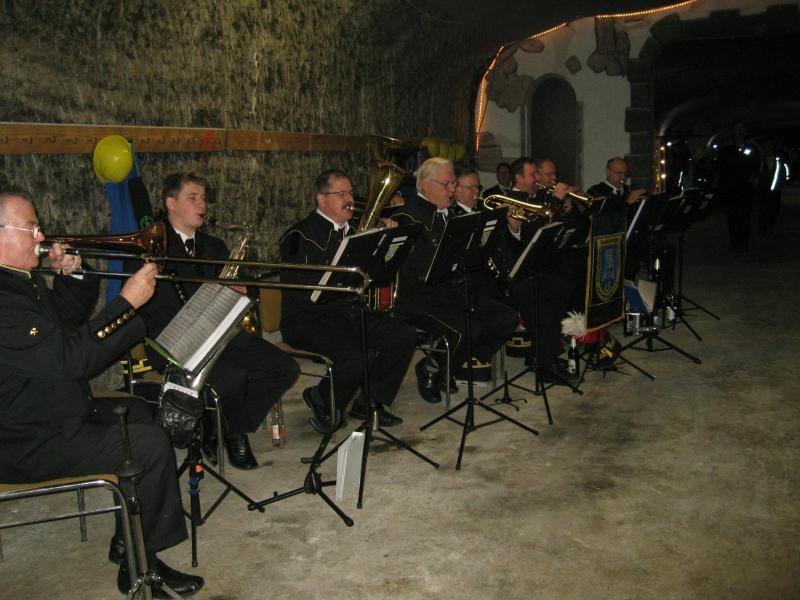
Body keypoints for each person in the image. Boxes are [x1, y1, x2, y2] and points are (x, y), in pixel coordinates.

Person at [0, 190, 203, 597]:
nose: (41, 236)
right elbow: (71, 360)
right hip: (26, 438)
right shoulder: (4, 300)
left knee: (141, 412)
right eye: (31, 228)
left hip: (52, 411)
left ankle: (128, 544)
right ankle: (141, 567)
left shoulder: (18, 281)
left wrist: (74, 276)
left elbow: (66, 324)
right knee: (148, 446)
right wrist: (125, 303)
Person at [136, 173, 299, 469]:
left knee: (284, 368)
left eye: (203, 198)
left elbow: (248, 286)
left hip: (220, 335)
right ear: (171, 203)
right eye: (193, 198)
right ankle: (233, 435)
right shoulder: (150, 248)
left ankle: (225, 427)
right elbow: (146, 305)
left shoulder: (214, 246)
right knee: (232, 377)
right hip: (174, 342)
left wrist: (244, 289)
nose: (202, 205)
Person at [278, 169, 417, 429]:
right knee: (358, 354)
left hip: (348, 311)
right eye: (341, 194)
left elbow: (378, 275)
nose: (350, 199)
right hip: (308, 317)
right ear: (321, 198)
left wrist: (387, 242)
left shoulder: (356, 230)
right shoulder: (299, 235)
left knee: (403, 335)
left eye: (350, 193)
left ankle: (369, 403)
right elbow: (303, 288)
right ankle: (322, 399)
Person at [391, 158, 517, 401]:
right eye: (447, 184)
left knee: (505, 318)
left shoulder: (448, 212)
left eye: (454, 184)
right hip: (420, 299)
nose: (452, 190)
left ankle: (447, 363)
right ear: (425, 185)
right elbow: (415, 272)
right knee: (467, 328)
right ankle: (433, 368)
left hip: (451, 291)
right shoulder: (408, 217)